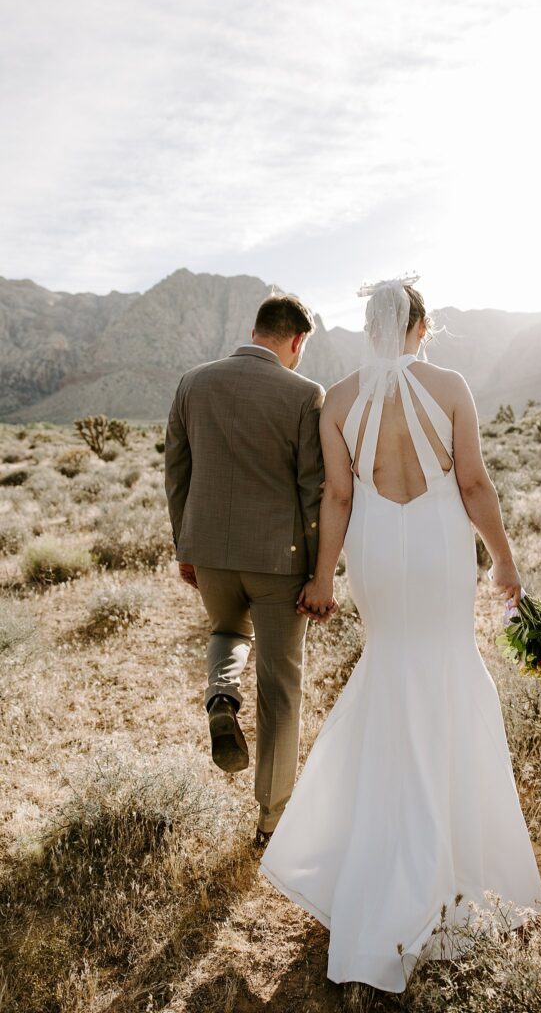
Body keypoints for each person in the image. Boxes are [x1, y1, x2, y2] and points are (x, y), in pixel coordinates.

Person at [259, 275, 541, 992]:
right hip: (440, 543)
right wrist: (504, 561)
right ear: (420, 328)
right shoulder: (449, 385)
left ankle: (380, 861)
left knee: (390, 673)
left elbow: (337, 494)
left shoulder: (340, 398)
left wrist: (323, 579)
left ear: (371, 328)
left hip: (376, 550)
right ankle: (449, 866)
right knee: (447, 669)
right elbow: (474, 485)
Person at [164, 293, 332, 846]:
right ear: (296, 340)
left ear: (254, 328)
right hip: (278, 562)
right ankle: (271, 820)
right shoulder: (305, 394)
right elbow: (314, 489)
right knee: (282, 686)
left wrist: (186, 546)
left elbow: (177, 473)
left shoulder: (193, 382)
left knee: (227, 629)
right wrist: (317, 570)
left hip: (209, 550)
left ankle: (221, 696)